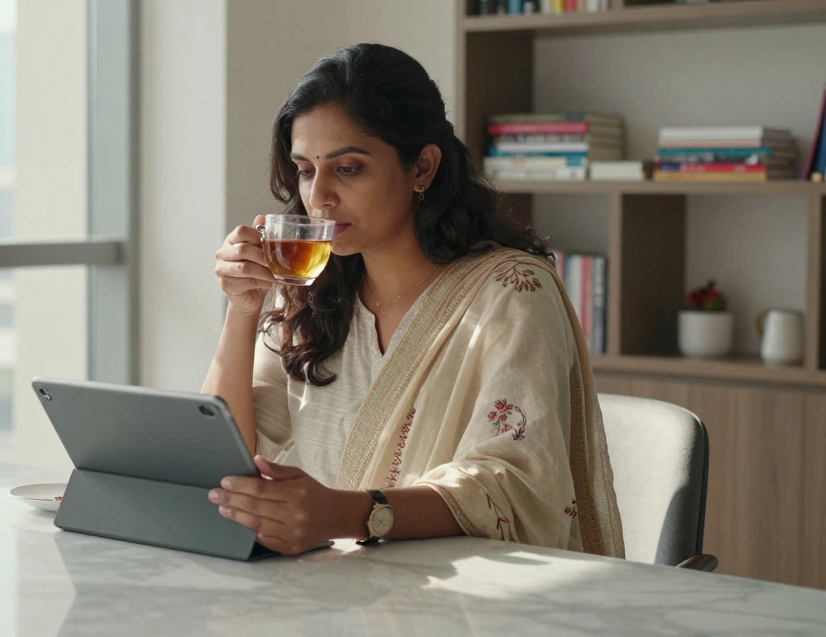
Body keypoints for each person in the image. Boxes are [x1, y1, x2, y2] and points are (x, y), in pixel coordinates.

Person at [201, 43, 624, 558]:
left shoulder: (510, 292)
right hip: (330, 593)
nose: (319, 197)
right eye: (306, 170)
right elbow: (223, 465)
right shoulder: (312, 294)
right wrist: (243, 312)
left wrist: (343, 513)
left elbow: (511, 487)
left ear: (422, 167)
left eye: (348, 168)